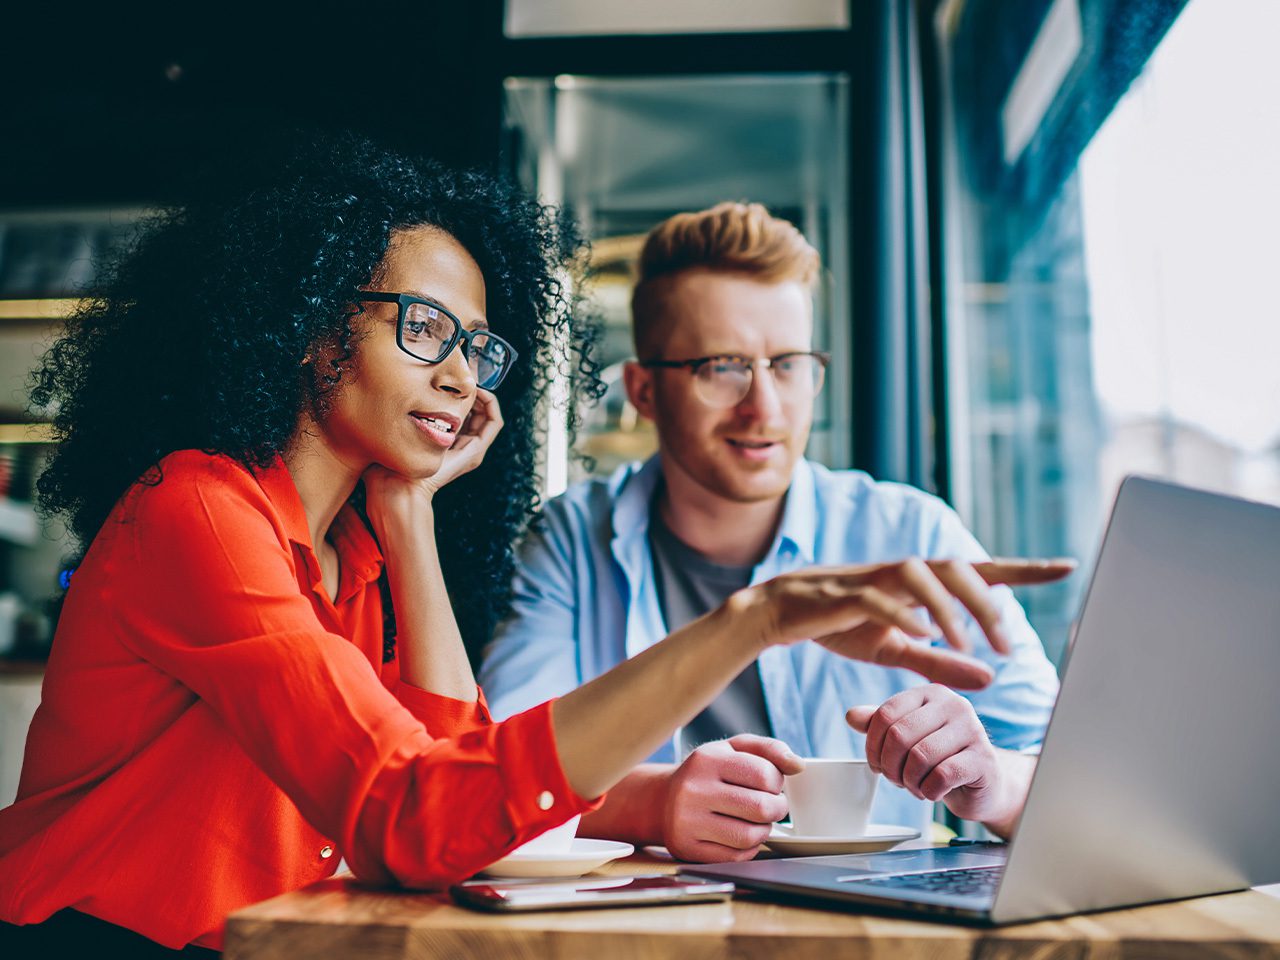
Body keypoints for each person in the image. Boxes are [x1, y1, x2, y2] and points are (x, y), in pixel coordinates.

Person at [0, 141, 1069, 956]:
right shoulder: (199, 512)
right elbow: (421, 816)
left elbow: (450, 788)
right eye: (423, 330)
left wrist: (409, 521)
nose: (464, 377)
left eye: (477, 347)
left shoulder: (355, 556)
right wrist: (756, 620)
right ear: (313, 329)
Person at [479, 202, 1067, 863]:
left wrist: (990, 781)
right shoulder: (570, 540)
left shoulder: (911, 532)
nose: (765, 406)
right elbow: (494, 776)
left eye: (788, 364)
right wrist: (654, 802)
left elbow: (1073, 775)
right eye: (722, 367)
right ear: (643, 391)